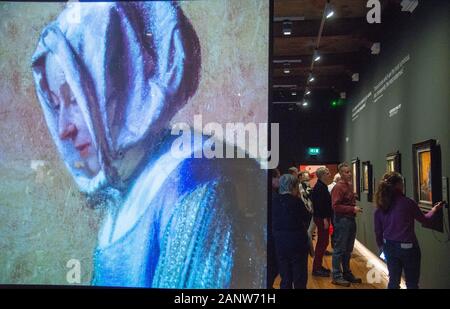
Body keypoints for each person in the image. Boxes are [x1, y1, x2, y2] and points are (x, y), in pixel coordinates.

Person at [31, 2, 265, 288]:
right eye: (56, 105)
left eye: (76, 98)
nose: (63, 127)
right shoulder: (127, 181)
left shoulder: (192, 176)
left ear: (125, 81)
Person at [374, 172, 444, 289]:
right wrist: (434, 209)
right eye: (402, 183)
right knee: (411, 283)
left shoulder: (380, 204)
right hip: (409, 248)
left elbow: (377, 230)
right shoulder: (407, 202)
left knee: (393, 282)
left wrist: (381, 246)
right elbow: (425, 220)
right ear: (398, 185)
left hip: (388, 246)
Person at [272, 174, 311, 289]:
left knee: (285, 276)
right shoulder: (296, 201)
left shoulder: (274, 201)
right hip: (297, 242)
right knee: (299, 276)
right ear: (293, 186)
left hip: (280, 242)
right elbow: (307, 217)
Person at [331, 162, 363, 287]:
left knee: (348, 249)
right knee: (339, 249)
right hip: (342, 221)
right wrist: (352, 209)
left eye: (349, 171)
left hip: (350, 220)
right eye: (346, 172)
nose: (349, 174)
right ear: (340, 173)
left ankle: (346, 273)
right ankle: (336, 275)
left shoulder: (348, 185)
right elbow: (335, 206)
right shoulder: (338, 187)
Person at [311, 167, 333, 277]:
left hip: (321, 217)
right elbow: (320, 205)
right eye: (327, 173)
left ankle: (318, 266)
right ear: (322, 175)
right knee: (322, 243)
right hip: (321, 218)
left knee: (323, 242)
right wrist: (325, 219)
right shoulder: (320, 188)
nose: (330, 174)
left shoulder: (321, 186)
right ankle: (316, 268)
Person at [299, 171, 315, 257]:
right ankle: (311, 252)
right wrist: (309, 208)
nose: (307, 178)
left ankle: (311, 251)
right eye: (305, 176)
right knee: (308, 232)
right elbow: (304, 198)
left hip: (309, 210)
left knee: (308, 232)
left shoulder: (307, 185)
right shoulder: (301, 186)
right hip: (306, 211)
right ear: (301, 177)